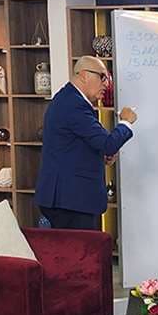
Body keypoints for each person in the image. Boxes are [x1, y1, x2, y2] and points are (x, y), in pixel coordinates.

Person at [35, 56, 138, 230]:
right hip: (70, 202)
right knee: (78, 247)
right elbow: (108, 144)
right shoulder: (74, 105)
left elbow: (74, 145)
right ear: (84, 75)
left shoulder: (70, 99)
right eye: (102, 77)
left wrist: (100, 155)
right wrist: (126, 122)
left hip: (69, 199)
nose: (106, 84)